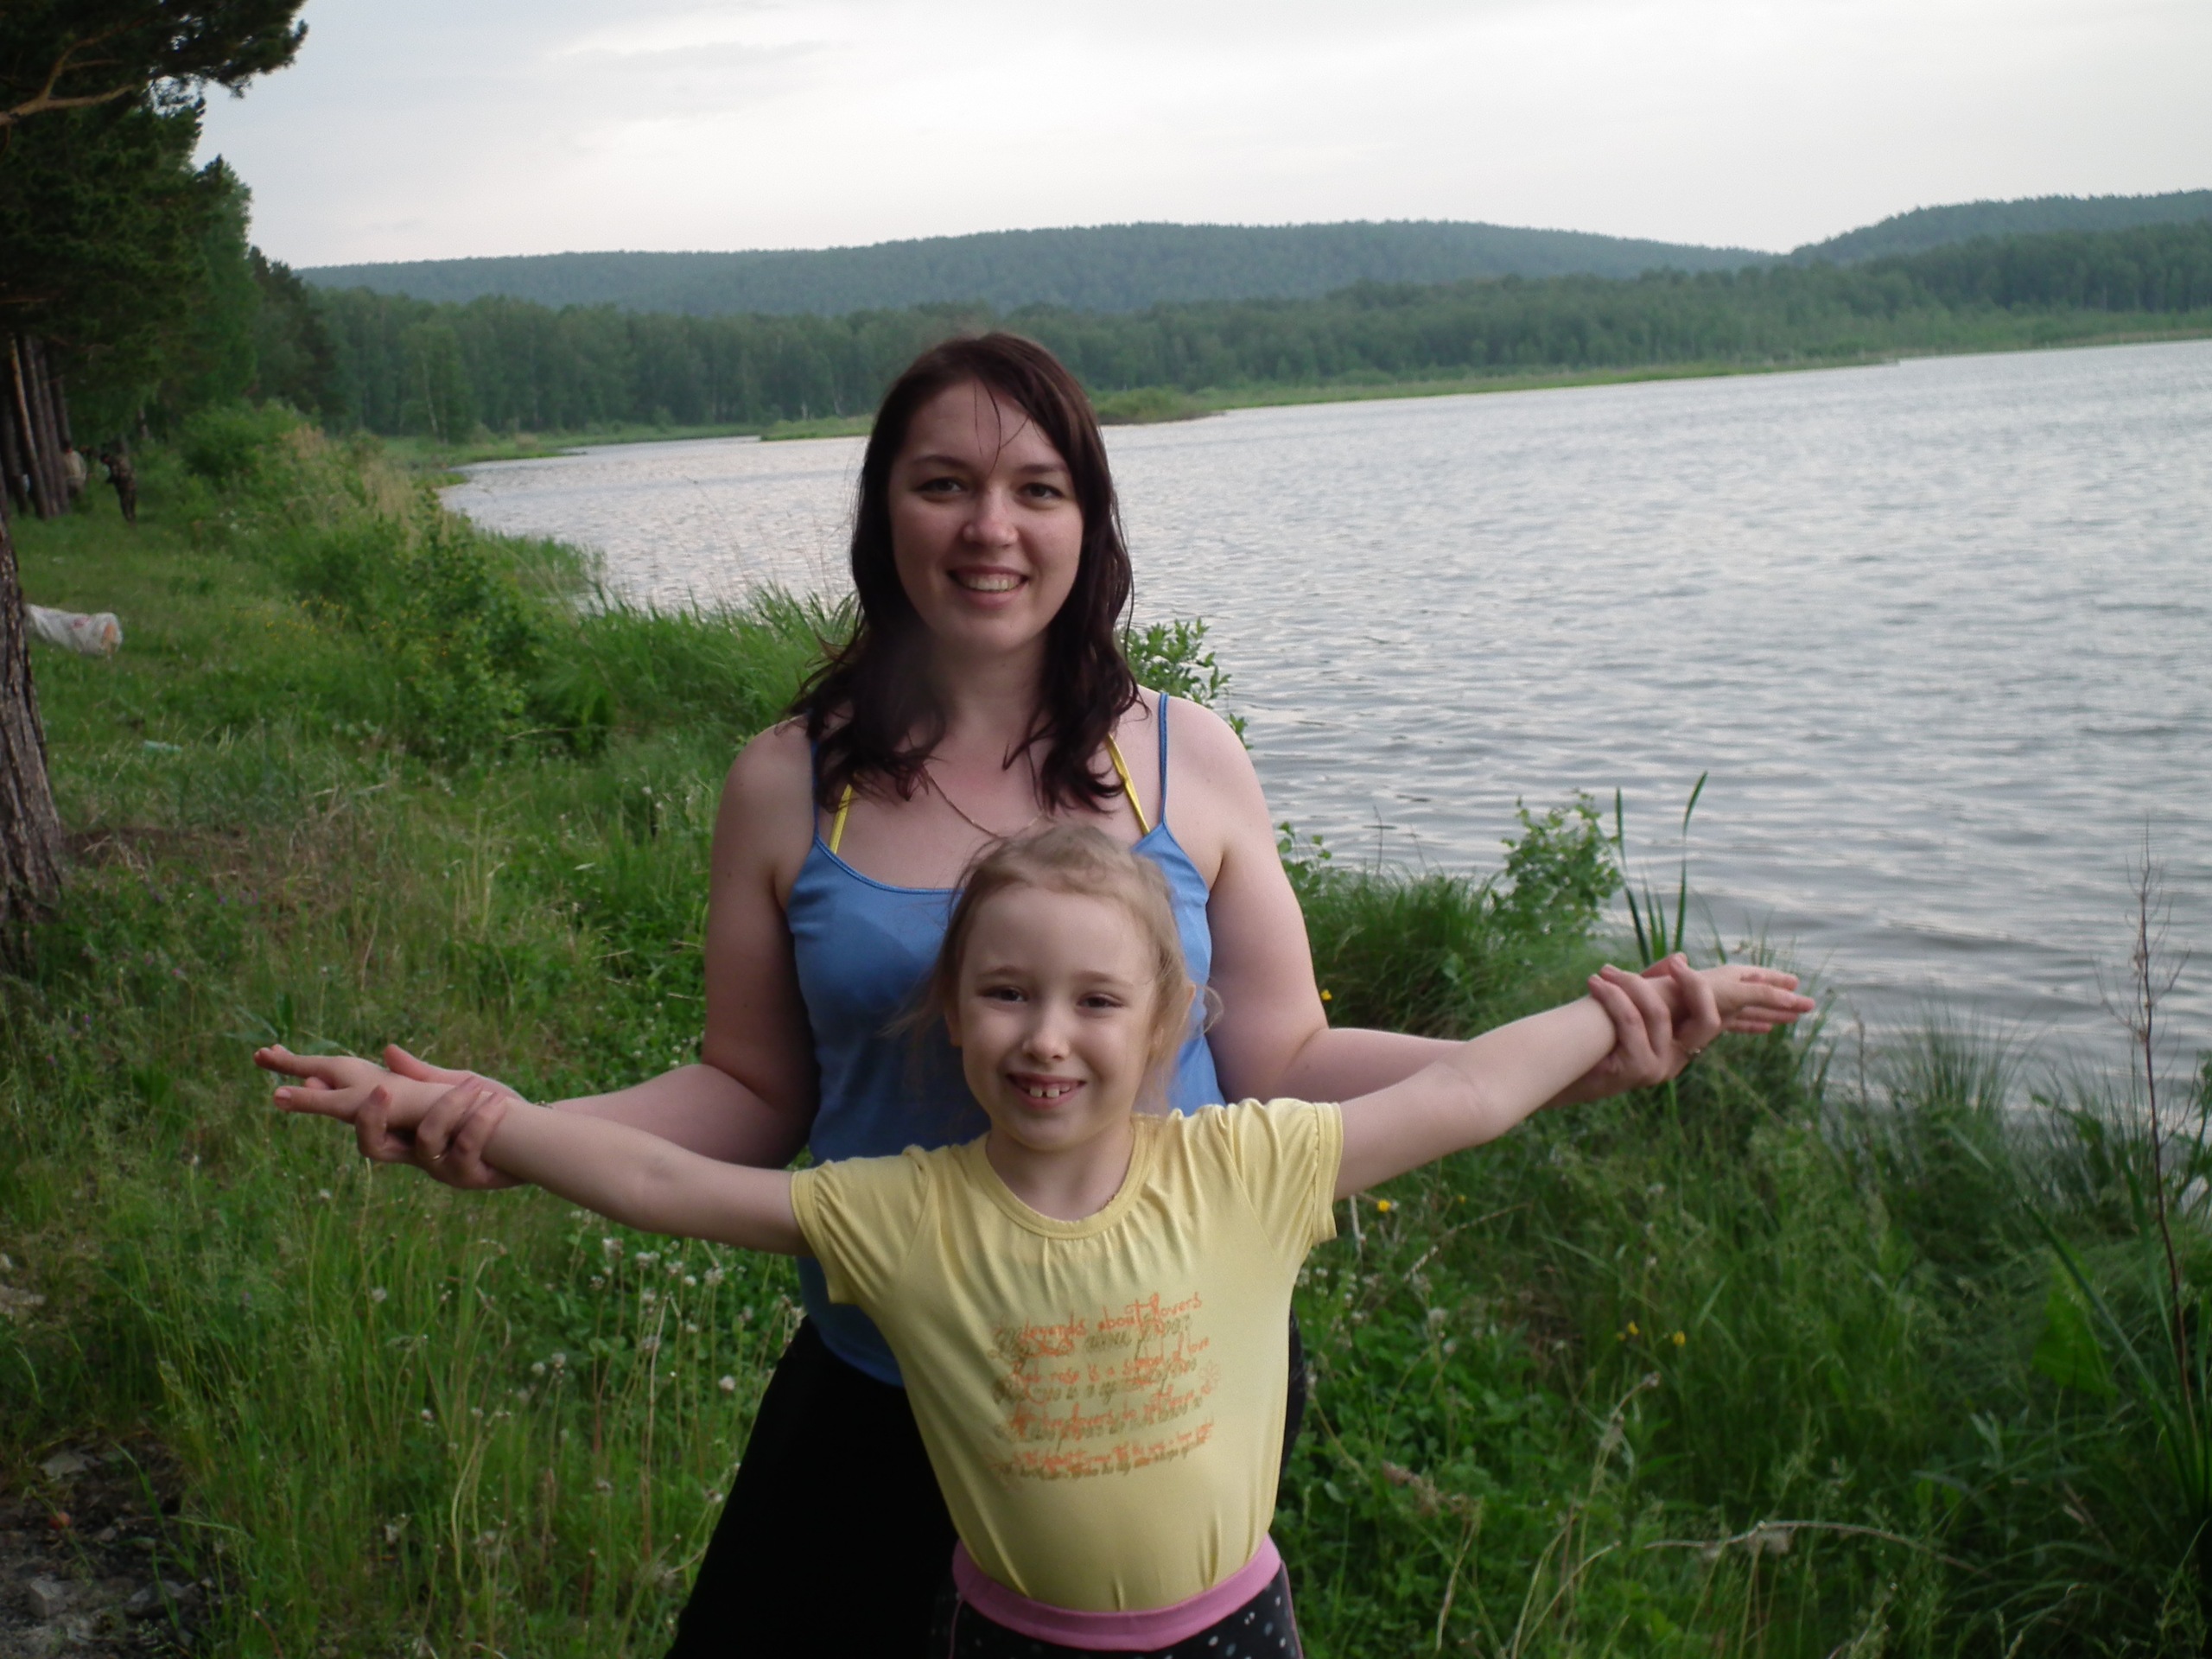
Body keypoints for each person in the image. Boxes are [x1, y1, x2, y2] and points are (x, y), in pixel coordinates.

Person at [265, 333, 1813, 1655]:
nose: (989, 526)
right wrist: (511, 1124)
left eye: (1038, 488)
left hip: (1147, 1375)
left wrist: (1569, 1054)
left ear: (1089, 520)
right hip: (888, 1377)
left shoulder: (1187, 758)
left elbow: (1284, 1053)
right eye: (943, 483)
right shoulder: (787, 785)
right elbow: (750, 1094)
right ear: (883, 510)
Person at [263, 826, 1802, 1658]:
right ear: (952, 1016)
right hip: (1007, 1641)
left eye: (1096, 1002)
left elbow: (1466, 1089)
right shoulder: (899, 1210)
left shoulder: (1249, 1167)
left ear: (1167, 1028)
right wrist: (487, 1115)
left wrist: (1633, 1009)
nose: (1047, 1036)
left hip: (1235, 1631)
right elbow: (670, 1184)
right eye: (1006, 994)